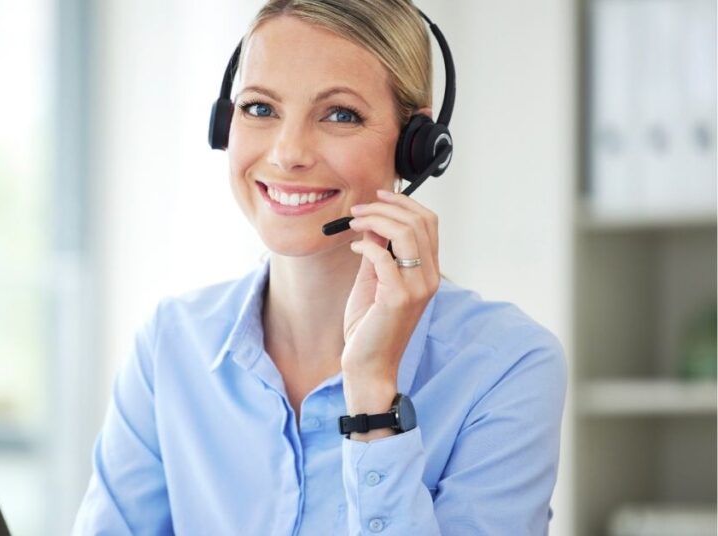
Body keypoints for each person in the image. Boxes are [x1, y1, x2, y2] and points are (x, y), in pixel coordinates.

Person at [72, 1, 567, 534]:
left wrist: (375, 398)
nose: (288, 153)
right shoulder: (170, 346)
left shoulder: (507, 365)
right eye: (260, 108)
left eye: (339, 114)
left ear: (416, 148)